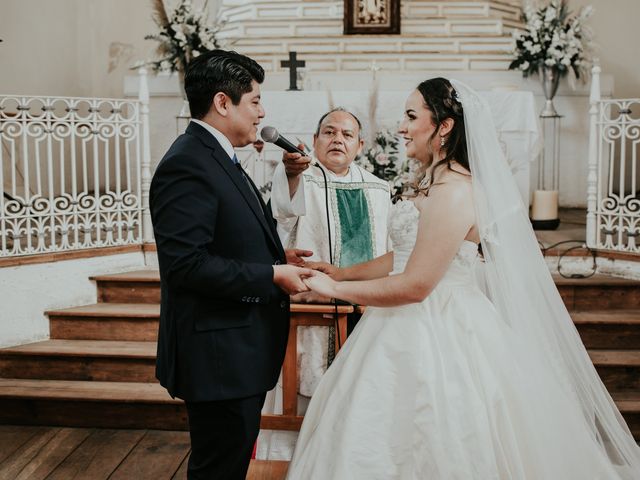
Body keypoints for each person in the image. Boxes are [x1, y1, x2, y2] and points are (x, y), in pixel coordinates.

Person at [286, 78, 640, 479]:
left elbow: (417, 285)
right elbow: (405, 256)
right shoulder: (432, 182)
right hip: (396, 321)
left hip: (438, 325)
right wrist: (341, 271)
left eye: (411, 116)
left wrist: (335, 290)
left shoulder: (454, 190)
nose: (401, 127)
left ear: (444, 126)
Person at [149, 50, 313, 480]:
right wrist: (271, 275)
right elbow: (186, 264)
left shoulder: (216, 153)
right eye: (255, 100)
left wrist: (277, 256)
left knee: (230, 461)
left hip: (235, 351)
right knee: (219, 468)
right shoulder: (188, 162)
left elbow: (226, 235)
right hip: (219, 356)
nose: (263, 111)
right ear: (223, 103)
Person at [258, 109, 392, 460]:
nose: (337, 139)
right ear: (315, 141)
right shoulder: (304, 178)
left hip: (365, 311)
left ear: (360, 145)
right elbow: (281, 215)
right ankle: (294, 461)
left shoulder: (379, 189)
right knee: (304, 390)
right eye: (329, 132)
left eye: (347, 135)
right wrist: (290, 174)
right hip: (309, 311)